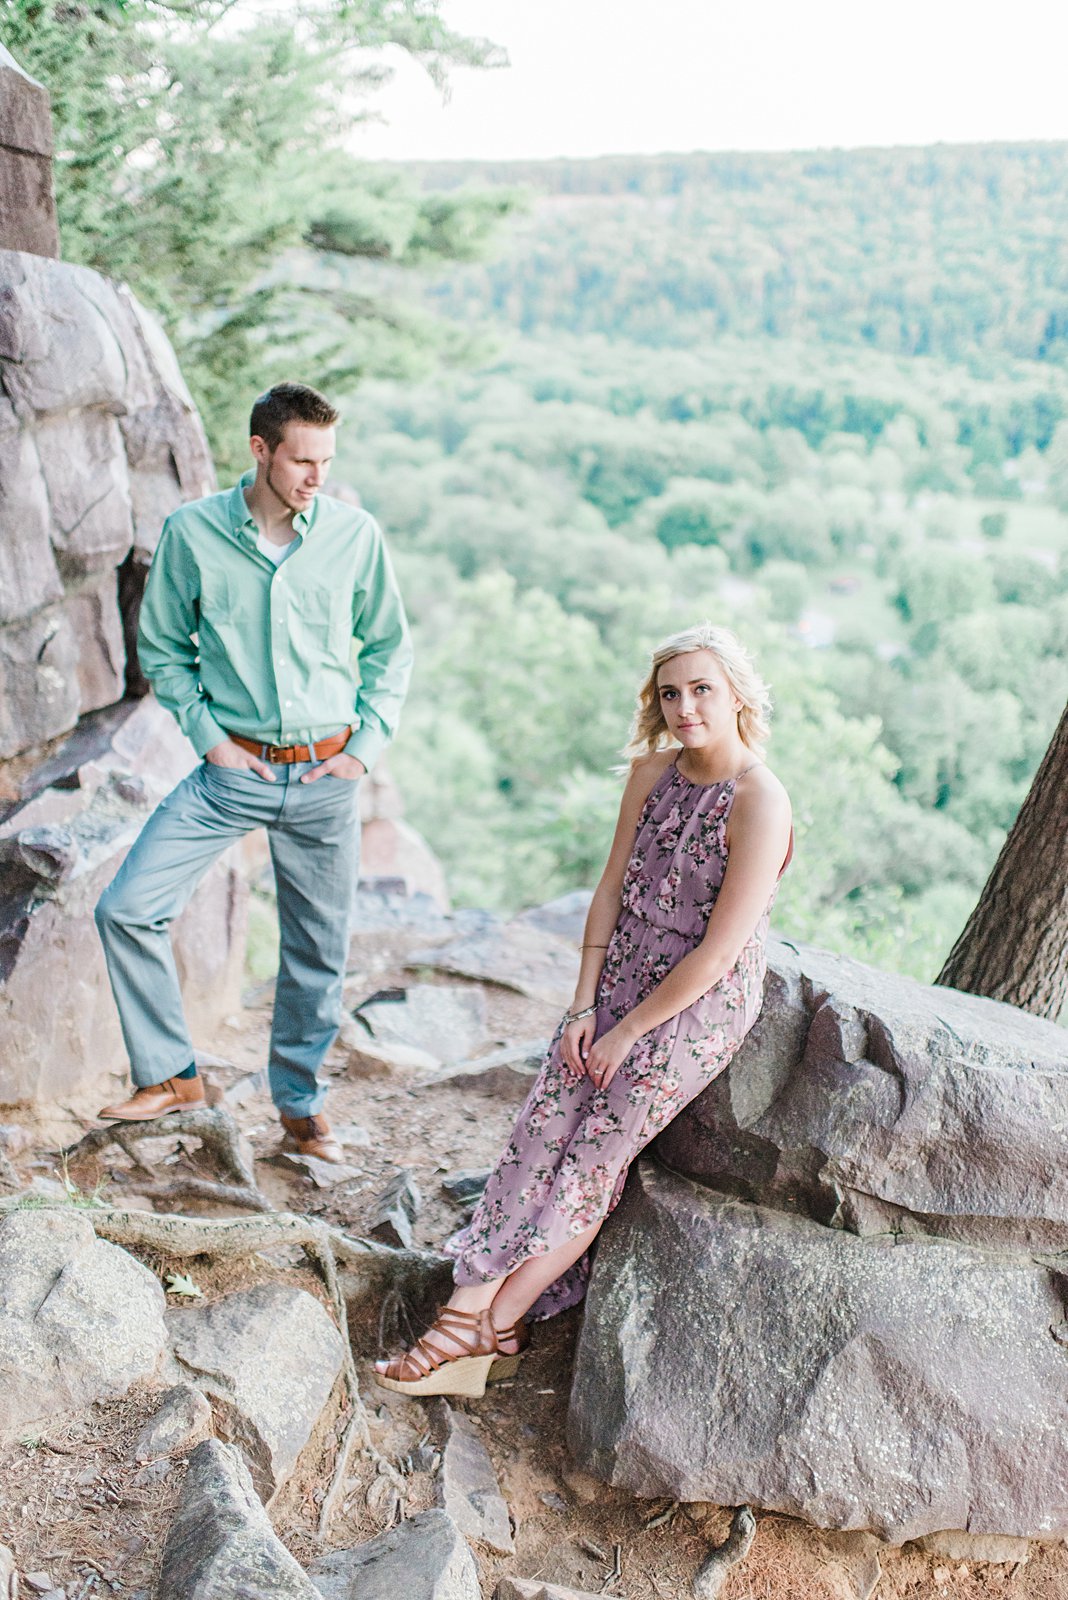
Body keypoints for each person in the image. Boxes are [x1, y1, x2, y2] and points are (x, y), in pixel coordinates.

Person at [375, 621, 792, 1395]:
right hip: (620, 977)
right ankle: (482, 1321)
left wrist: (629, 1032)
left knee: (590, 1160)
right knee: (540, 1131)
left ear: (737, 693)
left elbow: (720, 952)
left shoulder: (761, 801)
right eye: (670, 693)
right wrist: (581, 1010)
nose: (685, 707)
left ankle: (488, 1319)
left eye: (702, 688)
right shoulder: (651, 775)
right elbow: (609, 891)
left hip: (691, 1007)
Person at [94, 382, 412, 1163]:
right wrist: (209, 738)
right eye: (303, 460)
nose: (317, 478)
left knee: (315, 954)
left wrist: (361, 751)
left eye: (328, 461)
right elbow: (164, 647)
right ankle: (172, 1075)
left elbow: (390, 651)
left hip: (325, 777)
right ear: (260, 450)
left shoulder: (353, 535)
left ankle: (299, 1107)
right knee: (126, 909)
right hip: (231, 771)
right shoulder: (193, 534)